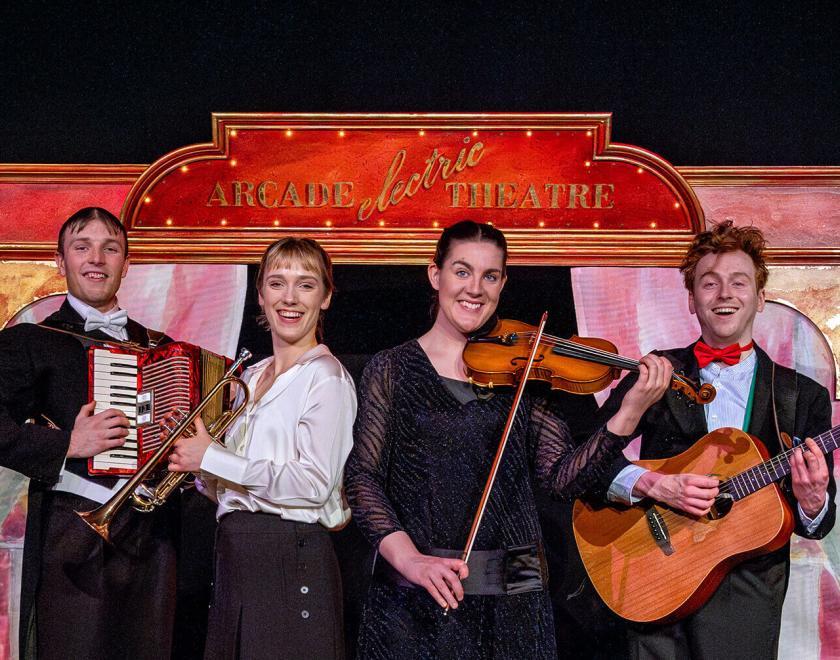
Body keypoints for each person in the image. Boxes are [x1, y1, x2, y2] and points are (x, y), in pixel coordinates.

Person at [344, 220, 674, 659]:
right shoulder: (392, 369)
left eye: (490, 276)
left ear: (503, 284)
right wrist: (408, 559)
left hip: (517, 603)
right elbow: (362, 479)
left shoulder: (527, 370)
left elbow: (561, 481)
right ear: (434, 274)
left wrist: (628, 413)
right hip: (416, 601)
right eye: (461, 271)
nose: (474, 288)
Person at [598, 220, 835, 659]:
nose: (724, 293)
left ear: (760, 298)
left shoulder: (803, 396)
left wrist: (813, 499)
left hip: (747, 598)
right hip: (654, 575)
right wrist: (652, 483)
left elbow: (815, 519)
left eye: (738, 282)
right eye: (710, 283)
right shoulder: (656, 373)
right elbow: (586, 462)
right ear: (692, 300)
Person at [0, 207, 178, 659]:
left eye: (110, 248)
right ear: (60, 262)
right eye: (82, 247)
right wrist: (67, 445)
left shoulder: (165, 348)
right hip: (71, 537)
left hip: (154, 541)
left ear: (126, 262)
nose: (96, 258)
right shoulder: (31, 341)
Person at [167, 237, 356, 660]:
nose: (289, 298)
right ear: (260, 294)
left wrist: (212, 458)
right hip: (238, 554)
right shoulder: (249, 376)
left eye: (305, 285)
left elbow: (312, 485)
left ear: (325, 297)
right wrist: (198, 468)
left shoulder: (326, 378)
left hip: (291, 555)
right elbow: (234, 488)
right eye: (277, 283)